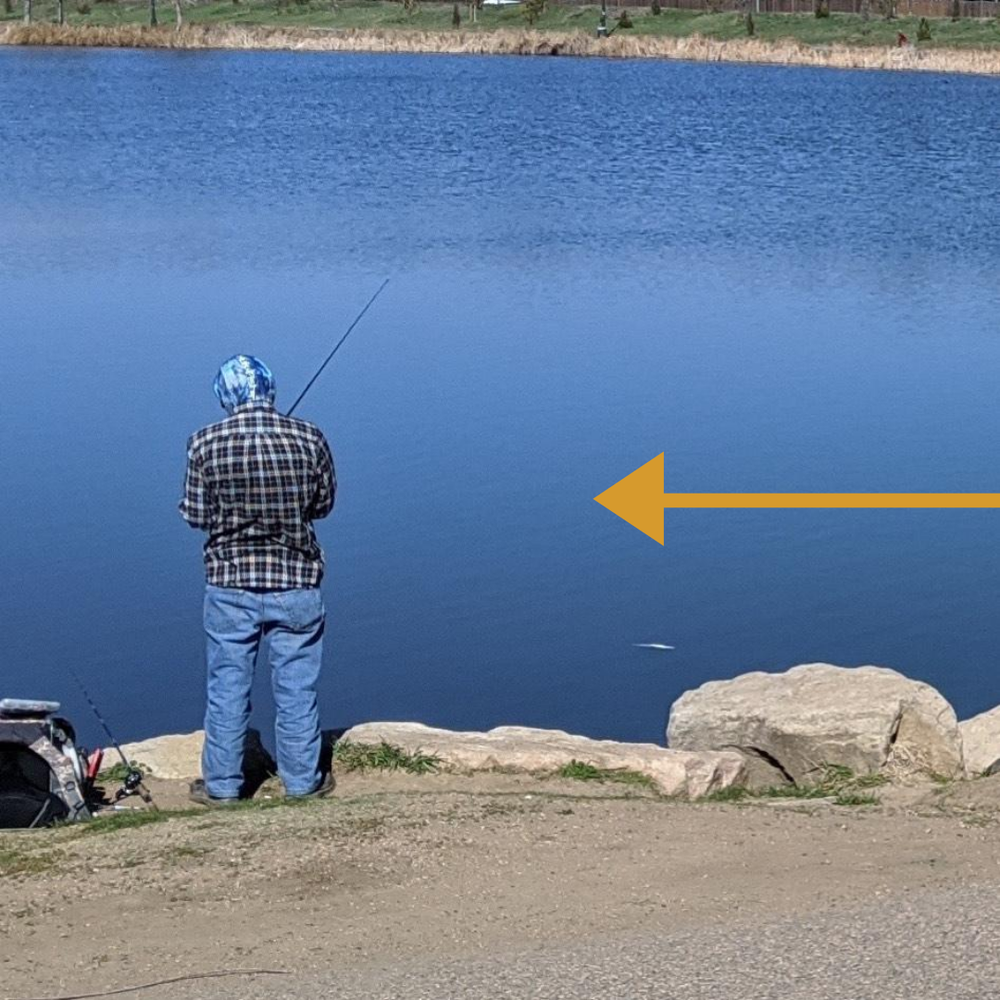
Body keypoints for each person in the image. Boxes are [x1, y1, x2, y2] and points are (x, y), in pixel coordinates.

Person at [180, 355, 336, 805]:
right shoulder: (309, 436)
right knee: (296, 687)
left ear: (225, 395)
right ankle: (302, 782)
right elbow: (323, 504)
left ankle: (222, 787)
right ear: (270, 390)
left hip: (229, 585)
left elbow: (195, 515)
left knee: (227, 686)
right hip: (296, 581)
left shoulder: (203, 442)